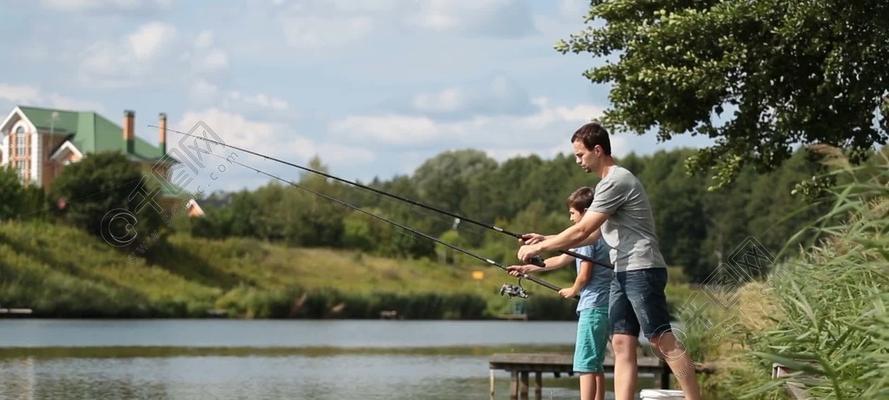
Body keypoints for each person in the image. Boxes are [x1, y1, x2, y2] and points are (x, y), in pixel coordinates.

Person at [517, 122, 702, 400]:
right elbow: (591, 236)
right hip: (621, 270)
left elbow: (581, 230)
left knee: (660, 339)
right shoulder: (605, 185)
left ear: (598, 149)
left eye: (580, 155)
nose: (578, 161)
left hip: (642, 268)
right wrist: (544, 237)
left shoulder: (617, 180)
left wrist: (542, 246)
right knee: (621, 342)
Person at [507, 187, 612, 400]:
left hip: (592, 305)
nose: (570, 218)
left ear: (585, 212)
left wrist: (572, 290)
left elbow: (584, 275)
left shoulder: (588, 238)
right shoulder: (597, 235)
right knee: (595, 362)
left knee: (584, 363)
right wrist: (528, 269)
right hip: (604, 305)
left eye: (573, 213)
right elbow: (562, 259)